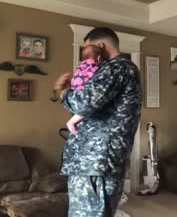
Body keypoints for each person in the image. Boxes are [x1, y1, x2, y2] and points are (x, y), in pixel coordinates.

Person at [54, 27, 142, 217]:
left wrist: (63, 92)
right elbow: (88, 103)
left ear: (100, 45)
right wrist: (71, 91)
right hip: (93, 161)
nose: (87, 53)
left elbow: (83, 103)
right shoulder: (113, 70)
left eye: (88, 47)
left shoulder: (117, 67)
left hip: (96, 161)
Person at [66, 44, 104, 134]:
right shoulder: (90, 63)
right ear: (98, 58)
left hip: (76, 90)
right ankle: (71, 122)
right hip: (82, 91)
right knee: (85, 108)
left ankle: (73, 121)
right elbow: (96, 75)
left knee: (82, 110)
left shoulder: (82, 65)